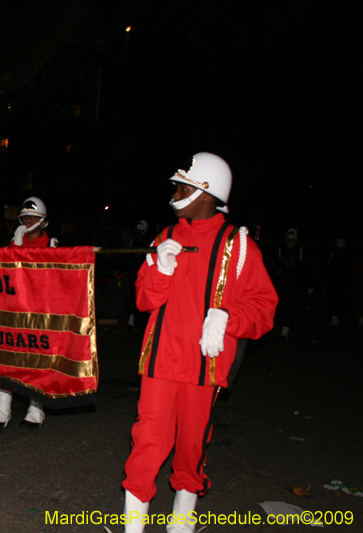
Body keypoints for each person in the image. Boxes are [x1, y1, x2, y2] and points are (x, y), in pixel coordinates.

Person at [119, 153, 277, 532]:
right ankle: (132, 528)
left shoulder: (238, 245)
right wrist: (160, 270)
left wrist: (227, 317)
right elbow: (143, 301)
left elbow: (265, 309)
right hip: (160, 362)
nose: (174, 193)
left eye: (182, 187)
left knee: (191, 447)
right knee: (146, 443)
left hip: (204, 368)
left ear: (205, 194)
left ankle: (182, 521)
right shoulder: (165, 237)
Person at [0, 196, 57, 429]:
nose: (27, 221)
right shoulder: (13, 244)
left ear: (42, 221)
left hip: (37, 309)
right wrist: (15, 247)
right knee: (6, 359)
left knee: (34, 361)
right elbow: (4, 273)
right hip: (12, 308)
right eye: (25, 217)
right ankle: (2, 412)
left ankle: (36, 411)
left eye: (33, 217)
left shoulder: (51, 245)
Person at [272, 228, 309, 339]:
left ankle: (286, 328)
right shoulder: (279, 250)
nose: (290, 243)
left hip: (295, 285)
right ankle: (284, 325)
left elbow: (306, 269)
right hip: (281, 285)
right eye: (288, 240)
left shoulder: (301, 251)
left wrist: (308, 285)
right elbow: (273, 268)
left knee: (291, 306)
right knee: (281, 306)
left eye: (292, 240)